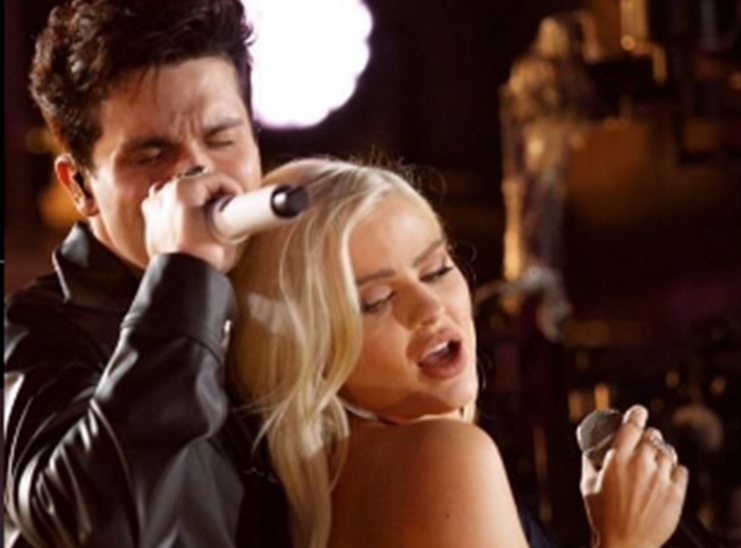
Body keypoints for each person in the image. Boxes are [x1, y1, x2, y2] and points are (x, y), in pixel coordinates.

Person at [228, 157, 689, 548]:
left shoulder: (333, 486)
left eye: (435, 270)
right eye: (376, 301)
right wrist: (626, 539)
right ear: (306, 346)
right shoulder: (444, 458)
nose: (430, 307)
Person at [4, 1, 290, 547]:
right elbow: (91, 529)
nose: (197, 175)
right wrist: (183, 275)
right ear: (79, 186)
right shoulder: (31, 339)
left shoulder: (286, 302)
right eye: (150, 155)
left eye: (222, 139)